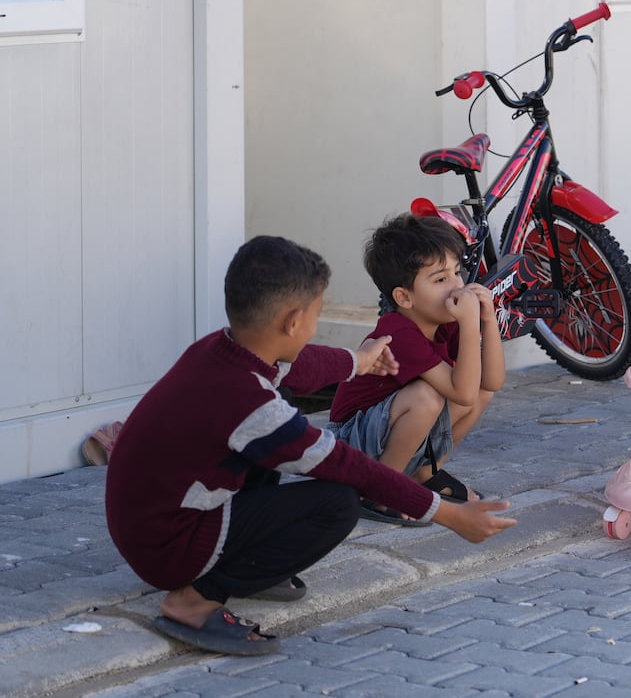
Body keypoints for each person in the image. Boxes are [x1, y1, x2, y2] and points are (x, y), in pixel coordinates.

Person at [105, 236, 515, 656]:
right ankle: (194, 601)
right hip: (167, 547)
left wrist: (359, 361)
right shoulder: (253, 408)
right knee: (337, 504)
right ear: (294, 322)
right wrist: (450, 515)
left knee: (276, 451)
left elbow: (299, 367)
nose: (318, 326)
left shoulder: (221, 350)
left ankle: (253, 567)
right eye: (318, 315)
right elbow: (350, 468)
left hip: (150, 523)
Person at [329, 213, 503, 516]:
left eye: (457, 272)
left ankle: (425, 473)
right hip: (349, 443)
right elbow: (459, 393)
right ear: (404, 297)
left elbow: (491, 383)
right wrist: (471, 319)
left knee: (478, 391)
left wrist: (488, 319)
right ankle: (379, 489)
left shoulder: (444, 322)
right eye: (440, 279)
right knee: (428, 395)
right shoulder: (398, 331)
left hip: (385, 435)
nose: (456, 286)